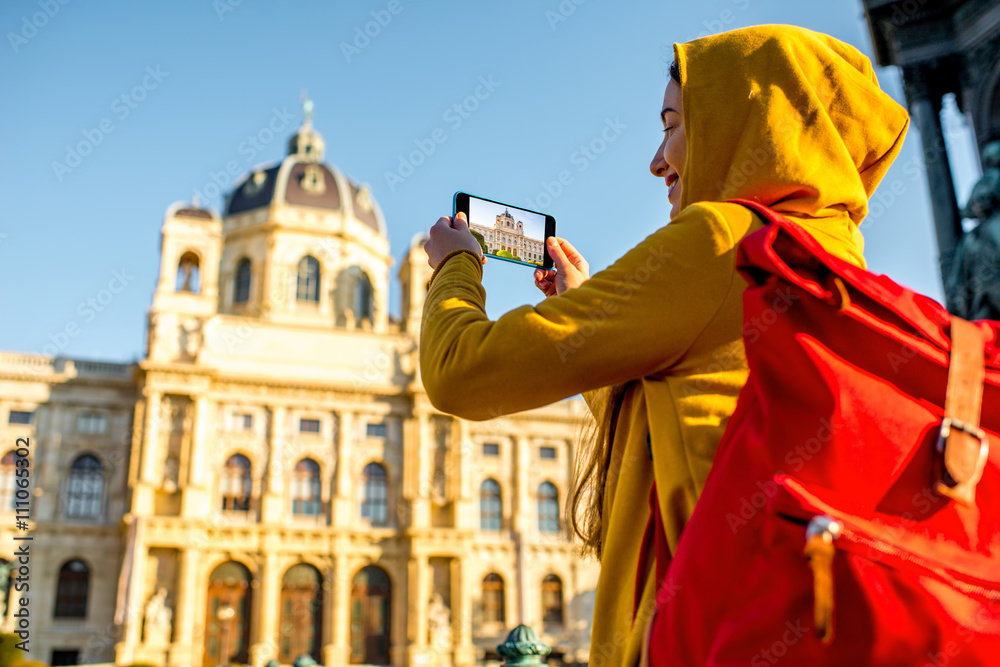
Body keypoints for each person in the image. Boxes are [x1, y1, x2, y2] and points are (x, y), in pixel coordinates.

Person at [420, 24, 908, 667]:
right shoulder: (840, 264)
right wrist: (585, 307)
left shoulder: (722, 241)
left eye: (673, 123)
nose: (656, 160)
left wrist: (458, 267)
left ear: (744, 122)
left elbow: (461, 372)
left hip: (697, 634)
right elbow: (678, 424)